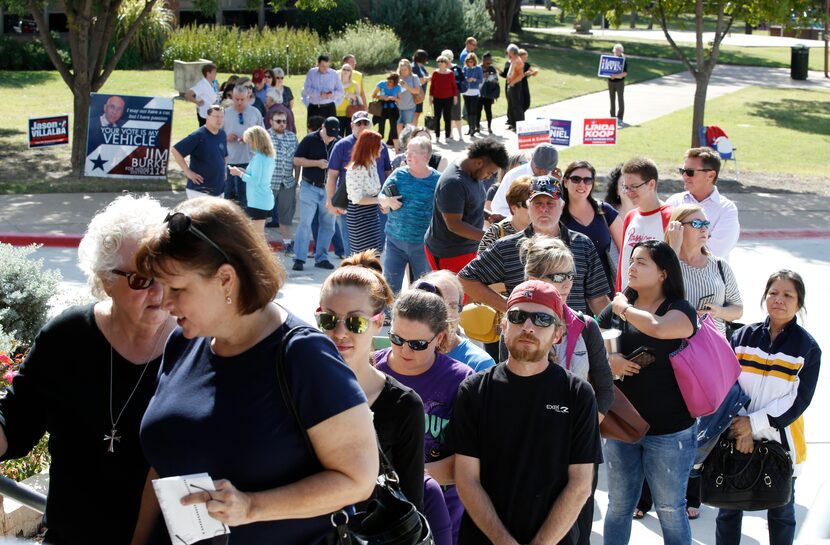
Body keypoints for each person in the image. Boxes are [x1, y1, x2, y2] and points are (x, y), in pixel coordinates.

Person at [133, 197, 378, 544]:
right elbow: (164, 465)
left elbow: (358, 479)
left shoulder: (303, 355)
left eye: (177, 288)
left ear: (226, 279)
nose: (164, 302)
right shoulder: (183, 342)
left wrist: (252, 507)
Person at [0, 195, 175, 545]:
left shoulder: (198, 346)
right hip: (71, 536)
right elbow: (16, 427)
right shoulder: (67, 337)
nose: (158, 291)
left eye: (166, 274)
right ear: (105, 280)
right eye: (141, 279)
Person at [447, 279, 602, 545]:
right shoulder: (474, 390)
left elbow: (580, 485)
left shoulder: (578, 394)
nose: (528, 326)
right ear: (504, 325)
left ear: (558, 334)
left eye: (542, 318)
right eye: (518, 316)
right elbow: (466, 479)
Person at [597, 240, 698, 545]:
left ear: (663, 273)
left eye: (642, 262)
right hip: (621, 426)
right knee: (618, 506)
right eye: (632, 261)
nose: (632, 267)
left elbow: (660, 328)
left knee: (670, 509)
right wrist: (608, 359)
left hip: (670, 432)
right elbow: (587, 343)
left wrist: (625, 309)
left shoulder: (679, 309)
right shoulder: (615, 309)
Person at [520, 235, 615, 545]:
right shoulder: (517, 323)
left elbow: (605, 388)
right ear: (534, 278)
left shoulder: (585, 326)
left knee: (578, 533)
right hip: (531, 448)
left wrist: (583, 431)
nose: (566, 284)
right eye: (556, 276)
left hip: (579, 448)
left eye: (570, 275)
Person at [717, 270, 822, 545]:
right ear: (765, 297)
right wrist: (741, 428)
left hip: (780, 443)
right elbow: (727, 384)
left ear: (799, 303)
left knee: (781, 512)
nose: (779, 299)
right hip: (736, 437)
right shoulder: (742, 337)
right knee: (728, 510)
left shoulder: (808, 348)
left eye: (788, 295)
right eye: (774, 292)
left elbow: (798, 400)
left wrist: (754, 424)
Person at [317, 251, 425, 510]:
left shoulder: (404, 405)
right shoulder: (295, 387)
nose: (340, 332)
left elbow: (411, 505)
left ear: (379, 323)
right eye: (329, 319)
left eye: (355, 322)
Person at [374, 287, 474, 543]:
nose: (405, 351)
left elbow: (466, 465)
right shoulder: (371, 370)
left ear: (439, 338)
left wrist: (398, 478)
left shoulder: (461, 380)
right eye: (396, 339)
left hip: (441, 514)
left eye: (418, 344)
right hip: (378, 517)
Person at [459, 176, 611, 316]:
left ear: (562, 206)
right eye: (538, 203)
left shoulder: (583, 244)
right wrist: (509, 306)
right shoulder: (507, 247)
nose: (544, 209)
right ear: (528, 206)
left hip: (571, 338)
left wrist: (612, 334)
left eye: (550, 203)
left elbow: (598, 299)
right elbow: (466, 279)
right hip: (523, 336)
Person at [424, 138, 509, 273]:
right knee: (457, 294)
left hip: (468, 249)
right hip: (450, 254)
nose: (489, 177)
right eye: (490, 173)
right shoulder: (453, 183)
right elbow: (454, 225)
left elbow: (470, 204)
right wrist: (490, 237)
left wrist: (488, 215)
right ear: (479, 162)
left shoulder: (472, 171)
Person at [326, 110, 393, 259]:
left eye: (365, 123)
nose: (362, 126)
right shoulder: (342, 146)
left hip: (376, 210)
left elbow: (388, 174)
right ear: (352, 126)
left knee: (376, 252)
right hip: (356, 212)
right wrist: (331, 201)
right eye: (358, 123)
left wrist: (386, 200)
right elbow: (332, 176)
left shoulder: (376, 155)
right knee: (355, 256)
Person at [380, 136, 440, 295]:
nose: (408, 155)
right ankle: (387, 320)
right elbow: (381, 199)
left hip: (423, 245)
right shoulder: (398, 175)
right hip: (395, 241)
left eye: (413, 152)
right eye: (407, 151)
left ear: (425, 157)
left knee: (424, 289)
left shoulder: (438, 180)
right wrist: (388, 201)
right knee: (390, 288)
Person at [561, 160, 624, 293]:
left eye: (587, 180)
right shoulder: (557, 214)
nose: (582, 184)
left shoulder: (605, 211)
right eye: (576, 179)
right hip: (570, 292)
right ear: (566, 182)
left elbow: (626, 251)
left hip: (606, 292)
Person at [667, 147, 740, 259]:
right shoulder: (674, 201)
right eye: (683, 171)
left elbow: (717, 251)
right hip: (676, 273)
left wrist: (677, 245)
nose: (685, 176)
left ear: (711, 175)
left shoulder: (727, 209)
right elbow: (664, 240)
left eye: (690, 172)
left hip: (710, 275)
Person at [420, 270, 496, 372]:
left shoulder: (480, 364)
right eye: (436, 303)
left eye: (452, 306)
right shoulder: (404, 352)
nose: (445, 313)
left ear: (460, 310)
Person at [616, 156, 672, 291]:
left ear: (651, 184)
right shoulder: (631, 216)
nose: (629, 193)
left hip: (656, 304)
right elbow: (623, 263)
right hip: (627, 301)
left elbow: (674, 266)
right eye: (626, 187)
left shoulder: (670, 216)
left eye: (634, 187)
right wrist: (618, 294)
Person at [292, 116, 341, 271]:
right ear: (322, 127)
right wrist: (317, 163)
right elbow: (297, 160)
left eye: (334, 134)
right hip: (309, 186)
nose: (330, 137)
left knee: (328, 225)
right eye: (328, 133)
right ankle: (299, 258)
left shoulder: (339, 142)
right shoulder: (309, 139)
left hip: (329, 189)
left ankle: (322, 258)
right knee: (305, 224)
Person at [344, 130, 390, 254]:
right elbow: (357, 199)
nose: (382, 147)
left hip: (372, 215)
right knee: (364, 258)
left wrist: (382, 203)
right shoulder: (356, 169)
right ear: (370, 146)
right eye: (379, 144)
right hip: (359, 217)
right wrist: (380, 200)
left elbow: (375, 191)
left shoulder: (373, 163)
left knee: (375, 255)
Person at [171, 105, 228, 199]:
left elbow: (224, 155)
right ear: (207, 117)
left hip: (219, 189)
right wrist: (187, 172)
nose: (219, 120)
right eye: (216, 117)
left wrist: (224, 170)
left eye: (221, 117)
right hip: (200, 191)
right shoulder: (198, 135)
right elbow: (176, 150)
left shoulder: (222, 134)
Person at [490, 143, 559, 218]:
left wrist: (559, 183)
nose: (542, 172)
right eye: (539, 168)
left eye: (547, 169)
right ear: (532, 159)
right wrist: (522, 218)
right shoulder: (513, 175)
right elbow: (498, 208)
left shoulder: (555, 177)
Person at [228, 125, 275, 235]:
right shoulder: (266, 156)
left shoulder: (259, 158)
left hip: (258, 201)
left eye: (250, 142)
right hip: (262, 199)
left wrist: (239, 173)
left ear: (256, 141)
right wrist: (242, 171)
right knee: (257, 234)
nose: (249, 145)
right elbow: (257, 176)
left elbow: (255, 181)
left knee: (256, 236)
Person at [223, 85, 264, 208]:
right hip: (229, 160)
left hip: (249, 160)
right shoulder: (225, 113)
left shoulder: (255, 112)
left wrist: (250, 139)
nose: (239, 102)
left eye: (242, 99)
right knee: (227, 194)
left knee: (245, 195)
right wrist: (227, 138)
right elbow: (215, 135)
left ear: (248, 97)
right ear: (232, 97)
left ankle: (245, 221)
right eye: (236, 99)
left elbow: (262, 135)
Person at [266, 109, 300, 249]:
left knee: (286, 217)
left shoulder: (292, 137)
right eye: (278, 121)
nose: (282, 124)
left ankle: (287, 244)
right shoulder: (265, 136)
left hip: (287, 183)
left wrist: (296, 181)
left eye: (284, 121)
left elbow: (296, 162)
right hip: (268, 183)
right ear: (271, 122)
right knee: (261, 216)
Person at [478, 175, 532, 252]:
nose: (534, 209)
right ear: (514, 207)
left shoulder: (546, 230)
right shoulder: (496, 233)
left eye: (537, 203)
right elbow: (481, 263)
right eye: (527, 205)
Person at [301, 54, 344, 119]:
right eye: (323, 66)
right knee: (314, 129)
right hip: (314, 108)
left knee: (330, 129)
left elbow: (341, 91)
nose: (325, 68)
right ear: (318, 64)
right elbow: (306, 89)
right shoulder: (311, 73)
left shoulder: (334, 74)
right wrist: (319, 94)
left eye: (327, 66)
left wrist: (332, 94)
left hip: (330, 108)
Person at [429, 55, 458, 143]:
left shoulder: (450, 73)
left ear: (446, 64)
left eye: (442, 62)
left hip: (448, 98)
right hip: (437, 98)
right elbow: (432, 86)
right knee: (437, 117)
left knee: (447, 117)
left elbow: (454, 86)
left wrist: (455, 96)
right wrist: (430, 97)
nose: (440, 64)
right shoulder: (435, 73)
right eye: (439, 62)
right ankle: (437, 136)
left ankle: (447, 136)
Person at [185, 62, 219, 127]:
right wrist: (197, 102)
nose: (216, 74)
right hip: (204, 116)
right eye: (214, 72)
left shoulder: (213, 83)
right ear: (208, 73)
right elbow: (188, 94)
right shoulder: (202, 85)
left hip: (213, 115)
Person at [373, 72, 402, 146]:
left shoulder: (398, 86)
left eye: (392, 82)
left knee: (393, 128)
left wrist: (394, 98)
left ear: (395, 82)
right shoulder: (381, 84)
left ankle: (396, 148)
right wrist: (382, 97)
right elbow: (373, 95)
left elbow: (399, 100)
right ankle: (378, 146)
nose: (390, 83)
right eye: (389, 81)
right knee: (381, 127)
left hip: (392, 108)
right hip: (382, 108)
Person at [397, 59, 422, 138]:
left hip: (409, 106)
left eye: (405, 69)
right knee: (398, 125)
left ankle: (409, 142)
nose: (403, 71)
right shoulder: (396, 77)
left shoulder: (414, 77)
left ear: (409, 69)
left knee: (409, 127)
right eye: (402, 70)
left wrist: (406, 86)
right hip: (397, 106)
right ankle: (401, 144)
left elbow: (417, 91)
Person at [335, 63, 361, 136]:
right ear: (341, 71)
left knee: (350, 135)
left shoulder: (354, 84)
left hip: (350, 113)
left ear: (351, 72)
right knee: (338, 136)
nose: (346, 71)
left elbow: (358, 100)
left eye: (348, 70)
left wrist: (351, 96)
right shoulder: (336, 84)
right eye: (344, 69)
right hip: (338, 113)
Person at [461, 53, 483, 136]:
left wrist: (474, 79)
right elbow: (462, 78)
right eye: (468, 61)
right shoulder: (465, 68)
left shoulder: (478, 68)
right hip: (466, 91)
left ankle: (473, 128)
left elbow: (480, 80)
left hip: (474, 91)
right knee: (468, 111)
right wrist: (466, 79)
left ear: (474, 61)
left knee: (473, 111)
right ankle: (470, 128)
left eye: (471, 61)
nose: (470, 63)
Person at [478, 52, 499, 135]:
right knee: (478, 110)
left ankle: (489, 127)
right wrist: (483, 76)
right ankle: (477, 126)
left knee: (488, 111)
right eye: (487, 62)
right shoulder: (478, 68)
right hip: (479, 93)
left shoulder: (492, 69)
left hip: (488, 93)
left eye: (490, 62)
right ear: (483, 60)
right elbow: (476, 80)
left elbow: (496, 80)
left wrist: (489, 77)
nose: (488, 64)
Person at [504, 44, 524, 131]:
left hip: (515, 85)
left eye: (508, 51)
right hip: (510, 84)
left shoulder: (518, 61)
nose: (507, 53)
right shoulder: (512, 60)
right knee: (511, 105)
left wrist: (513, 82)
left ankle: (518, 125)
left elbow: (521, 75)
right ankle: (512, 123)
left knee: (516, 106)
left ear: (512, 52)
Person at [608, 44, 628, 125]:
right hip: (610, 82)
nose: (617, 51)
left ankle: (620, 118)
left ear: (621, 51)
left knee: (620, 100)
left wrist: (616, 76)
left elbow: (625, 73)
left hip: (619, 83)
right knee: (612, 100)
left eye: (619, 50)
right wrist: (610, 76)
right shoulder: (610, 59)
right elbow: (606, 70)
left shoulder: (623, 60)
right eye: (616, 50)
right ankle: (612, 117)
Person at [412, 49, 431, 127]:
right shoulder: (414, 67)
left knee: (418, 112)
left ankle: (414, 129)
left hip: (421, 94)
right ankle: (413, 130)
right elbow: (421, 81)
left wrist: (426, 78)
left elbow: (426, 77)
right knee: (415, 113)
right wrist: (427, 78)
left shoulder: (420, 66)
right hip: (415, 94)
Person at [518, 49, 537, 114]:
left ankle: (519, 115)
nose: (526, 59)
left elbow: (532, 72)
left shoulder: (526, 64)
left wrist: (534, 73)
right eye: (524, 57)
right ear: (519, 57)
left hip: (524, 84)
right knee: (519, 103)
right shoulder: (515, 65)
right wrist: (525, 74)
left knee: (527, 103)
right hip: (517, 85)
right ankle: (516, 117)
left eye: (526, 57)